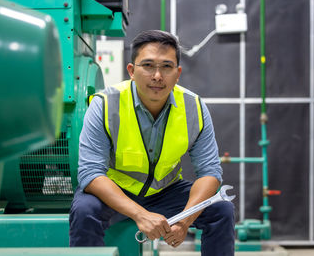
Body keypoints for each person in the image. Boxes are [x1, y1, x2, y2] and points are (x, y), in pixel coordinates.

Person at [69, 30, 235, 255]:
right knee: (85, 210)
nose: (157, 75)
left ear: (178, 74)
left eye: (167, 67)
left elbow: (210, 172)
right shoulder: (105, 104)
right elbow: (90, 173)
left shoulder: (194, 107)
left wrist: (185, 221)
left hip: (166, 191)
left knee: (221, 210)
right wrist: (140, 214)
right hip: (115, 189)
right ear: (131, 71)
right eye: (148, 65)